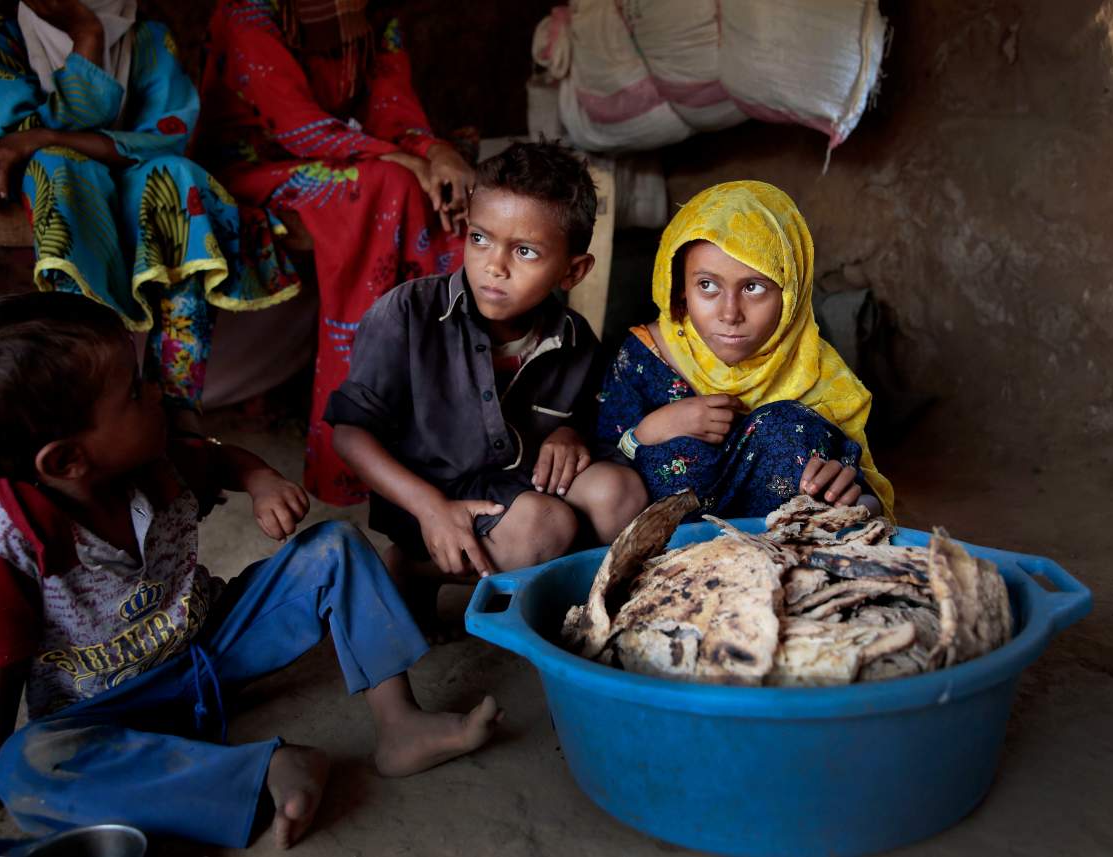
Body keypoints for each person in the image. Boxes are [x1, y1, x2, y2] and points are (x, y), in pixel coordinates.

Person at [0, 292, 500, 850]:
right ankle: (262, 769)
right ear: (69, 459)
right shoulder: (0, 554)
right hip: (107, 709)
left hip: (208, 647)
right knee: (27, 770)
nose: (158, 392)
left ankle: (401, 726)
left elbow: (216, 456)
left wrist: (259, 480)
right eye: (134, 389)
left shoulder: (153, 451)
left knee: (335, 547)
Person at [325, 141, 647, 623]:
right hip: (427, 493)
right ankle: (416, 568)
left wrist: (569, 433)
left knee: (621, 492)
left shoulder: (576, 340)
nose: (495, 266)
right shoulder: (406, 314)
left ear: (573, 271)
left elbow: (588, 416)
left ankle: (588, 613)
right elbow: (349, 433)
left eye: (525, 251)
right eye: (480, 239)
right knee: (545, 526)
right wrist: (431, 508)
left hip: (515, 481)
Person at [0, 1, 301, 432]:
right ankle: (93, 403)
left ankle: (176, 407)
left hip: (130, 171)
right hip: (63, 177)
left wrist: (48, 130)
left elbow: (167, 138)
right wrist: (87, 37)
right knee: (58, 165)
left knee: (179, 175)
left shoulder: (147, 34)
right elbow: (18, 136)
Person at [198, 0, 474, 505]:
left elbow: (393, 110)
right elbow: (293, 123)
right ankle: (351, 443)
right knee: (386, 186)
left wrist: (436, 154)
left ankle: (443, 424)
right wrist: (398, 159)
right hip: (249, 166)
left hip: (349, 155)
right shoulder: (250, 10)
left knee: (452, 200)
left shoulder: (370, 12)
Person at [597, 180, 895, 521]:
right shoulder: (644, 358)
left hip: (779, 564)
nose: (729, 313)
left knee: (789, 424)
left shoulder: (820, 376)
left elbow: (869, 505)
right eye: (707, 285)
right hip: (667, 567)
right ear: (680, 288)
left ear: (790, 292)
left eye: (754, 287)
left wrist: (850, 499)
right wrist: (648, 432)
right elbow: (595, 482)